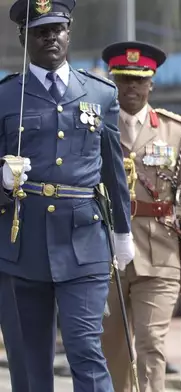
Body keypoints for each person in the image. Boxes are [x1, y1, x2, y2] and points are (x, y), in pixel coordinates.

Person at [0, 0, 135, 390]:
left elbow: (113, 171)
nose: (51, 38)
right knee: (29, 361)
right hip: (21, 243)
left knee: (85, 350)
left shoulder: (100, 93)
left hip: (84, 242)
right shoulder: (7, 96)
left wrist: (122, 233)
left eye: (57, 29)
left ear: (69, 31)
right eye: (41, 31)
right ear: (25, 37)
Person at [99, 41, 181, 392]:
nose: (131, 86)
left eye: (138, 79)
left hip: (160, 254)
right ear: (113, 81)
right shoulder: (96, 125)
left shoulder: (175, 130)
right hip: (106, 258)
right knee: (112, 350)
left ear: (151, 83)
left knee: (151, 345)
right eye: (124, 78)